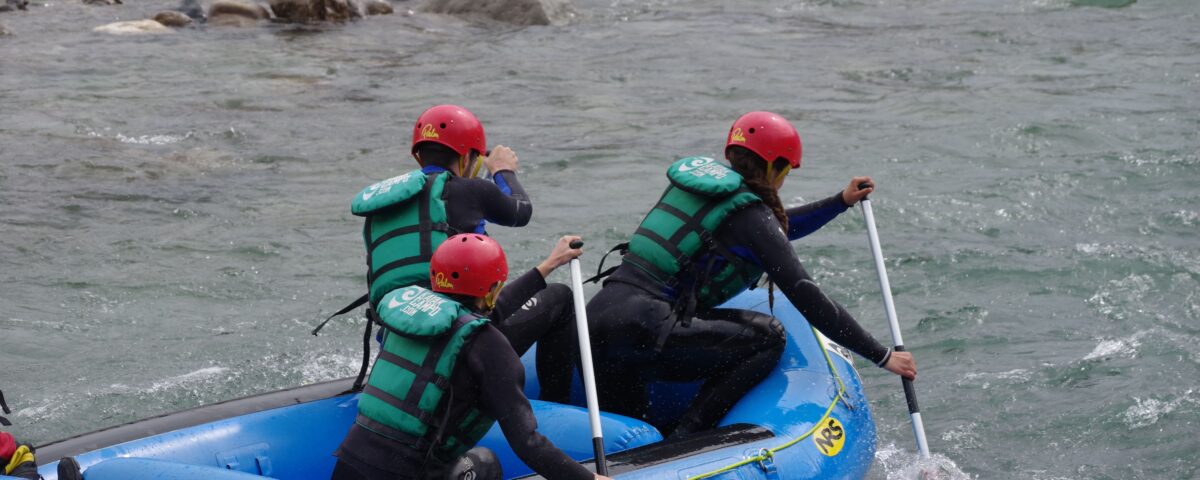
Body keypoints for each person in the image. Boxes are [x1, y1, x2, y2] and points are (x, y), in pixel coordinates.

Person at [583, 111, 918, 437]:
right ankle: (689, 435)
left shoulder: (705, 192)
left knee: (629, 436)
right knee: (767, 337)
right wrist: (882, 356)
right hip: (645, 330)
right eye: (787, 169)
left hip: (597, 322)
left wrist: (840, 201)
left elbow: (771, 231)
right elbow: (807, 295)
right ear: (775, 167)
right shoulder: (749, 216)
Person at [340, 104, 579, 399]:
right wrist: (503, 170)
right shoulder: (473, 190)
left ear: (418, 155)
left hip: (397, 344)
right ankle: (557, 405)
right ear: (467, 158)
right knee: (560, 298)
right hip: (463, 349)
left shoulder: (383, 208)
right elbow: (520, 211)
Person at [331, 234, 610, 480]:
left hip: (348, 464)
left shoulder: (409, 319)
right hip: (411, 473)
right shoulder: (490, 348)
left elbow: (478, 313)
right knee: (484, 463)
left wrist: (548, 265)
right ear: (492, 290)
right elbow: (528, 442)